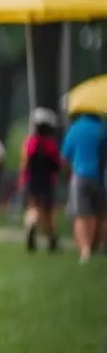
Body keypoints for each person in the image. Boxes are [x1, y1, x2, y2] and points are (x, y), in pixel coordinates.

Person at [61, 111, 106, 264]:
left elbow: (65, 155)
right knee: (98, 214)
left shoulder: (75, 128)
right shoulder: (103, 128)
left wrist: (68, 174)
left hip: (79, 176)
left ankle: (85, 250)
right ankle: (98, 245)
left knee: (81, 215)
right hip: (100, 177)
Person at [19, 107, 62, 254]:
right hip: (47, 181)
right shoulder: (51, 144)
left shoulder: (30, 143)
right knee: (48, 211)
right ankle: (51, 239)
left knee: (33, 207)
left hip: (32, 180)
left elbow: (24, 162)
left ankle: (31, 224)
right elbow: (57, 164)